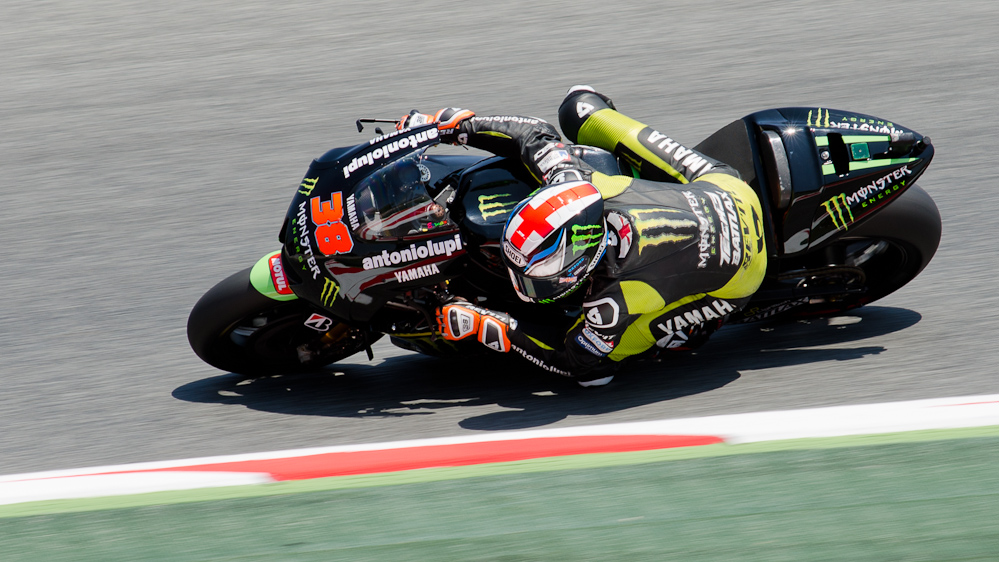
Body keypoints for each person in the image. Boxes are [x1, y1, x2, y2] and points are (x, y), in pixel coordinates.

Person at [406, 86, 767, 386]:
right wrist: (453, 126)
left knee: (602, 369)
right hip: (722, 189)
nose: (527, 288)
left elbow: (573, 360)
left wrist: (493, 325)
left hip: (743, 271)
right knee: (579, 107)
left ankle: (702, 323)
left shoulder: (612, 302)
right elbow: (532, 133)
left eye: (535, 280)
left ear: (582, 265)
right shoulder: (574, 181)